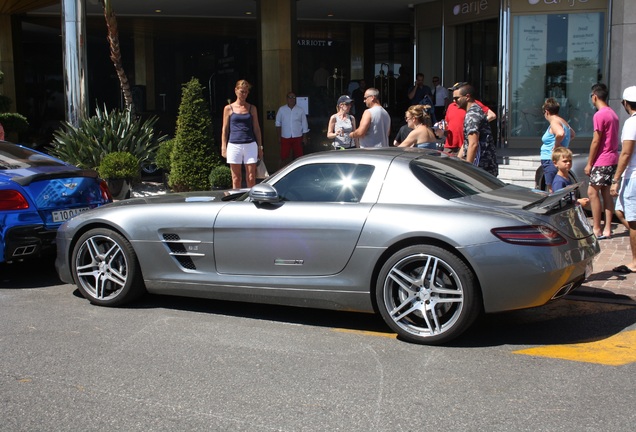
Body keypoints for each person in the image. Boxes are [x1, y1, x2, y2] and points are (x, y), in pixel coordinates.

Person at [585, 83, 619, 239]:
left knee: (592, 192)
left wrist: (589, 163)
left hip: (602, 159)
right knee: (605, 192)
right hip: (612, 158)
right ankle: (607, 229)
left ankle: (597, 228)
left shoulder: (599, 115)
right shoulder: (613, 114)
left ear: (595, 96)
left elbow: (596, 140)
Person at [610, 86, 636, 273]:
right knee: (619, 210)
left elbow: (626, 153)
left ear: (625, 103)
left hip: (633, 176)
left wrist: (616, 178)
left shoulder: (631, 123)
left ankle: (635, 263)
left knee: (633, 220)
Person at [221, 79, 263, 189]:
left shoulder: (252, 108)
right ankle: (237, 201)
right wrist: (223, 147)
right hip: (234, 144)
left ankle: (251, 199)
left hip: (250, 144)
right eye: (241, 91)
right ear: (236, 91)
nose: (244, 94)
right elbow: (225, 129)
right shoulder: (228, 108)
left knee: (251, 176)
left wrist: (260, 146)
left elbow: (257, 128)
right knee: (236, 177)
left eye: (246, 92)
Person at [453, 83, 498, 176]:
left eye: (457, 98)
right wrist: (458, 160)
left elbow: (473, 144)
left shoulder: (472, 115)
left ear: (467, 97)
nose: (454, 101)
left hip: (481, 168)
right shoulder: (476, 110)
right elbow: (468, 142)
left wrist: (468, 170)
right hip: (485, 167)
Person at [442, 82, 496, 155]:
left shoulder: (473, 105)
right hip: (450, 146)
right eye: (453, 96)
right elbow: (447, 124)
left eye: (457, 97)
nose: (454, 100)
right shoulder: (451, 106)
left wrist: (477, 124)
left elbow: (492, 115)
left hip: (464, 144)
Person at [540, 97, 575, 192]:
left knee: (552, 189)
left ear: (546, 112)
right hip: (557, 158)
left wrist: (556, 145)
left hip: (550, 158)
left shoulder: (554, 122)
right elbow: (572, 134)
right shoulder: (563, 121)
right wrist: (563, 145)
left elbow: (560, 133)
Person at [275, 91, 309, 167]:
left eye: (293, 97)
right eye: (290, 97)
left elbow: (304, 124)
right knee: (283, 157)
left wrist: (305, 137)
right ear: (287, 99)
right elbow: (277, 123)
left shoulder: (300, 110)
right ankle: (279, 173)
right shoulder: (282, 109)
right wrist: (279, 137)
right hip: (285, 137)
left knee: (299, 157)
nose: (292, 99)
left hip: (297, 137)